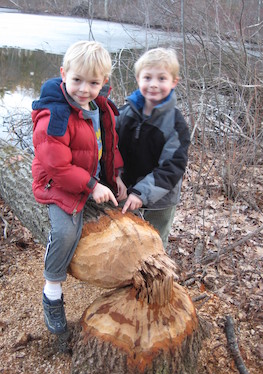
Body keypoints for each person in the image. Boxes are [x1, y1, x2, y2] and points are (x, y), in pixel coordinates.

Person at [31, 41, 127, 335]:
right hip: (58, 182)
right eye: (77, 80)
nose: (84, 89)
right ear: (63, 74)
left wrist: (116, 177)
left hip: (90, 179)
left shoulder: (100, 106)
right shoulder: (55, 116)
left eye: (93, 82)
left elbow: (109, 147)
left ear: (104, 82)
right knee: (66, 231)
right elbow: (57, 167)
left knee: (126, 224)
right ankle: (51, 291)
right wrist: (91, 184)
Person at [116, 47, 191, 249]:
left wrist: (142, 193)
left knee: (155, 242)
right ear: (138, 79)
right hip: (127, 190)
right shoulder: (125, 113)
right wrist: (116, 177)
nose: (154, 85)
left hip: (162, 198)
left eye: (162, 78)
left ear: (174, 82)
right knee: (125, 237)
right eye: (147, 77)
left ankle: (155, 277)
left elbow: (172, 166)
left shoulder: (176, 124)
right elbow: (111, 149)